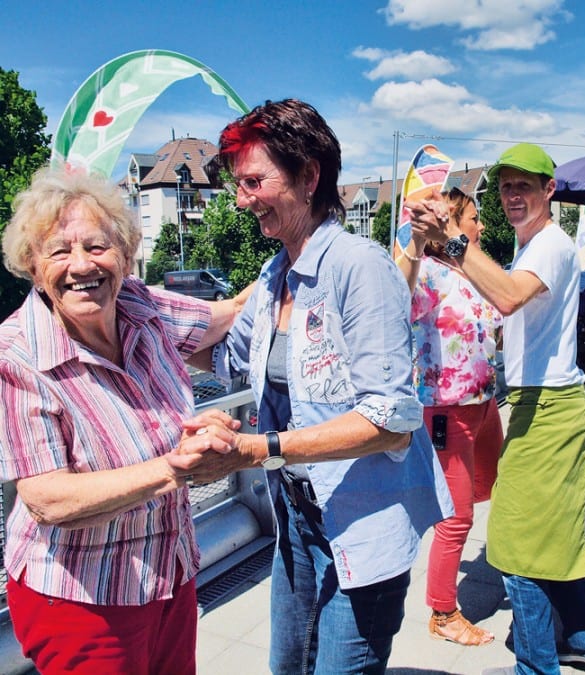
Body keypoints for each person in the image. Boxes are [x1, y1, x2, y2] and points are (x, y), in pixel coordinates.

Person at [205, 99, 453, 674]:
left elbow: (389, 418)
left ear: (309, 176)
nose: (242, 201)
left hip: (360, 528)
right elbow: (226, 357)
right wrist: (123, 322)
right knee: (288, 666)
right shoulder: (275, 274)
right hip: (296, 516)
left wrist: (259, 449)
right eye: (238, 185)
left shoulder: (359, 267)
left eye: (254, 182)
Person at [0, 167, 248, 674]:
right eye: (59, 252)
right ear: (31, 266)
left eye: (97, 246)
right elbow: (48, 499)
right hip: (82, 597)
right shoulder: (15, 357)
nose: (81, 265)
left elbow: (228, 316)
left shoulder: (140, 304)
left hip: (169, 573)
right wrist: (176, 468)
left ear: (127, 255)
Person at [409, 143, 585, 673]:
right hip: (494, 405)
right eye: (505, 187)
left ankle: (535, 664)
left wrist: (451, 241)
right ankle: (584, 638)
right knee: (547, 529)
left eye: (524, 185)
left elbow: (507, 299)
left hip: (539, 404)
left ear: (549, 191)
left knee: (516, 541)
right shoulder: (528, 247)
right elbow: (411, 292)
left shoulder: (545, 246)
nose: (511, 196)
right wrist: (420, 241)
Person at [395, 187, 503, 646]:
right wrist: (416, 241)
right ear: (452, 224)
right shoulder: (430, 273)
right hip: (446, 409)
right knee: (456, 517)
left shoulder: (470, 270)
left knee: (491, 488)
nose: (481, 227)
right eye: (474, 219)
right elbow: (398, 293)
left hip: (484, 403)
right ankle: (442, 612)